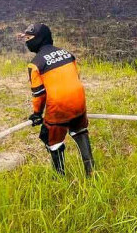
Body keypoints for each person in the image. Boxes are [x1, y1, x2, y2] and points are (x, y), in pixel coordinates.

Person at [22, 23, 95, 176]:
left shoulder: (36, 64)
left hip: (59, 107)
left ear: (39, 39)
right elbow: (76, 77)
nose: (27, 42)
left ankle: (60, 176)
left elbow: (39, 95)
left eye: (29, 38)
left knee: (51, 139)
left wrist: (37, 114)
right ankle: (91, 171)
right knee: (80, 131)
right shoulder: (67, 54)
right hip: (79, 101)